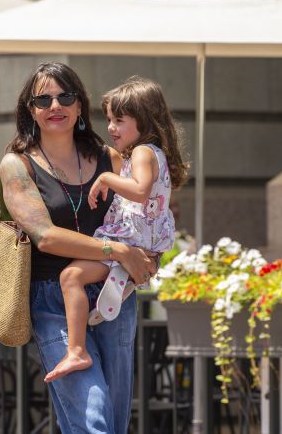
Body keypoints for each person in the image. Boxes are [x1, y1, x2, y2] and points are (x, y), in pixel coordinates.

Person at [0, 62, 159, 433]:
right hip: (54, 297)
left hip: (115, 291)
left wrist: (149, 254)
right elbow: (45, 236)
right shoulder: (17, 164)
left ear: (80, 105)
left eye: (65, 96)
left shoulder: (111, 157)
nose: (55, 105)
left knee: (116, 420)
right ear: (30, 109)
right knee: (93, 419)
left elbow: (141, 216)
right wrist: (117, 250)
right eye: (43, 99)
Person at [45, 76, 187, 382]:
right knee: (77, 277)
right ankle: (119, 284)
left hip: (130, 238)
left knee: (70, 276)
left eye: (119, 120)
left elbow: (140, 190)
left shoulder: (142, 152)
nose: (111, 128)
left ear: (144, 120)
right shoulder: (152, 153)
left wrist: (106, 179)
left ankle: (76, 350)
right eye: (109, 119)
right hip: (143, 239)